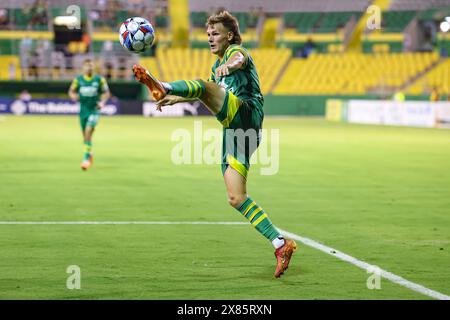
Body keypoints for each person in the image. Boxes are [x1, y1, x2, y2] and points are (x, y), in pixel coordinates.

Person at [132, 10, 297, 278]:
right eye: (208, 34)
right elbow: (208, 92)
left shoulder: (236, 52)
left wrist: (227, 67)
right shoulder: (215, 68)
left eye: (216, 33)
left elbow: (238, 60)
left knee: (202, 85)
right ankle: (280, 244)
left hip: (246, 113)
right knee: (236, 197)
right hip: (236, 133)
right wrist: (177, 99)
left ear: (229, 35)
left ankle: (162, 83)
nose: (210, 38)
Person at [68, 59, 110, 170]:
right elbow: (71, 91)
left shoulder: (100, 80)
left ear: (94, 67)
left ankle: (86, 159)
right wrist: (73, 96)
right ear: (83, 68)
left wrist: (102, 102)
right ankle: (90, 153)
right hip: (83, 111)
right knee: (86, 138)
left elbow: (106, 93)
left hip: (94, 110)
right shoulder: (78, 80)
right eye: (87, 66)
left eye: (91, 66)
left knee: (88, 130)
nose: (89, 68)